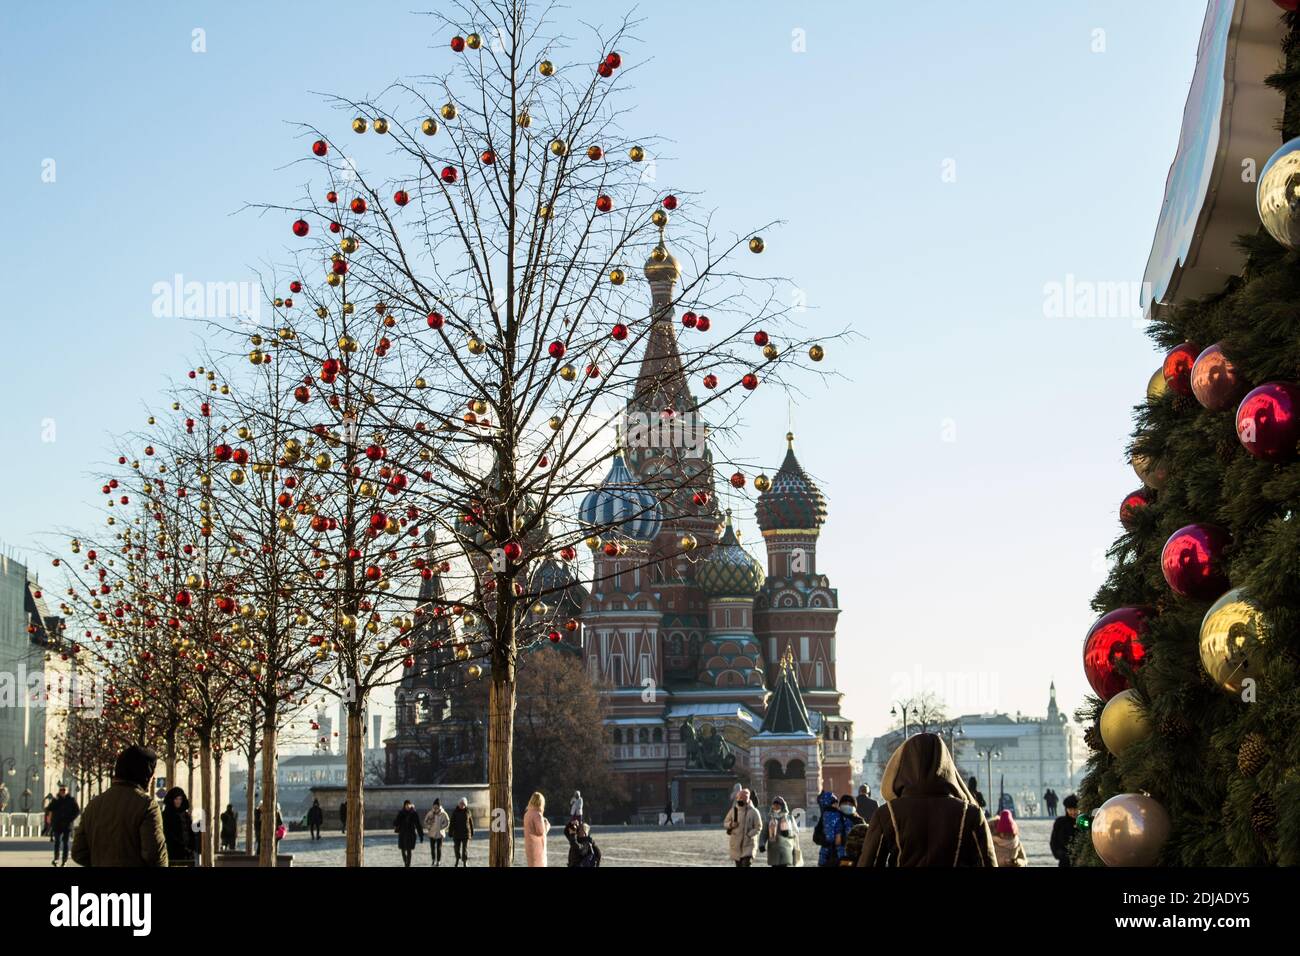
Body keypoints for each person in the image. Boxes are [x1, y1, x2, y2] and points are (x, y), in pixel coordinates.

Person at [858, 733, 997, 867]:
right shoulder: (970, 813)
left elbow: (870, 862)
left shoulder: (887, 813)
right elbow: (987, 862)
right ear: (946, 765)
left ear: (904, 765)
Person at [72, 745, 168, 867]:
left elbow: (78, 852)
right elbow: (154, 856)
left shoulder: (94, 805)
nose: (153, 779)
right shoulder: (147, 806)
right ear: (146, 774)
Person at [723, 787, 761, 867]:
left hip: (749, 844)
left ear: (747, 799)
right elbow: (725, 822)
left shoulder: (754, 811)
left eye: (743, 798)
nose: (741, 800)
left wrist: (749, 834)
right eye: (739, 798)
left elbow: (758, 827)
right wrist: (731, 825)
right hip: (736, 844)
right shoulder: (734, 810)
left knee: (746, 864)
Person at [758, 795, 800, 867]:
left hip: (786, 848)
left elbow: (795, 831)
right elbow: (764, 833)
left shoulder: (789, 818)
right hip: (773, 849)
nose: (776, 806)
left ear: (782, 806)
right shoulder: (769, 818)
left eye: (778, 804)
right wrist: (761, 844)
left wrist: (788, 833)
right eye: (774, 804)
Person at [47, 784, 80, 867]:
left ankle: (64, 861)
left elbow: (77, 811)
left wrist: (71, 819)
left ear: (67, 791)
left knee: (65, 843)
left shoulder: (71, 800)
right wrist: (50, 819)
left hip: (67, 825)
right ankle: (56, 859)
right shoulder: (56, 800)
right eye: (61, 790)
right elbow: (49, 809)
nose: (62, 792)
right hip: (57, 824)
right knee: (57, 842)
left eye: (64, 790)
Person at [161, 787, 194, 866]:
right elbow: (167, 833)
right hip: (172, 853)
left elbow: (190, 832)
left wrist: (191, 847)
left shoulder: (186, 815)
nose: (178, 801)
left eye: (180, 799)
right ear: (171, 800)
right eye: (176, 799)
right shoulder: (166, 815)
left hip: (187, 854)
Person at [813, 790, 845, 867]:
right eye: (834, 803)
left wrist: (825, 841)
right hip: (838, 853)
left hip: (828, 854)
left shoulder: (826, 814)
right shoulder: (838, 814)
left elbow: (820, 837)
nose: (836, 805)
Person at [1050, 794, 1081, 867]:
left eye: (1075, 809)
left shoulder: (1085, 822)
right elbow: (1054, 842)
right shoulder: (1060, 823)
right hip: (1065, 862)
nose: (1073, 812)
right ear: (1066, 809)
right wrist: (1062, 855)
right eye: (1070, 809)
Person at [836, 793, 867, 866]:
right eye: (845, 803)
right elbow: (818, 837)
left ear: (855, 807)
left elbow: (866, 841)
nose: (847, 805)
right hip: (834, 858)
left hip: (854, 859)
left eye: (850, 804)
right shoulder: (834, 818)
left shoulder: (859, 821)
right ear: (840, 805)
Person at [523, 791, 551, 867]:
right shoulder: (537, 815)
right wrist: (547, 825)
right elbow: (541, 832)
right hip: (538, 848)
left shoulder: (527, 814)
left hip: (529, 845)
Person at [393, 799, 423, 867]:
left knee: (409, 850)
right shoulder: (401, 812)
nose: (407, 806)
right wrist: (396, 821)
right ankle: (405, 861)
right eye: (406, 805)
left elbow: (418, 824)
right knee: (402, 849)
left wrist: (421, 835)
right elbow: (396, 822)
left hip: (410, 834)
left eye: (408, 804)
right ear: (404, 805)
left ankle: (408, 865)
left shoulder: (414, 813)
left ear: (410, 805)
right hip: (402, 834)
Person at [449, 797, 474, 866]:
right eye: (461, 803)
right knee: (456, 848)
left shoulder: (468, 812)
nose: (462, 805)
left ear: (465, 805)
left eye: (463, 804)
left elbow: (471, 823)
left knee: (464, 849)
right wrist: (450, 832)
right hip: (456, 833)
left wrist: (472, 832)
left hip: (466, 833)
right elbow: (452, 823)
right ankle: (457, 859)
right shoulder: (455, 812)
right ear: (458, 804)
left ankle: (465, 861)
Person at [424, 799, 450, 866]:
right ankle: (433, 859)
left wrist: (442, 827)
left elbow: (447, 822)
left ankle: (438, 861)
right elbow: (425, 821)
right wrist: (429, 827)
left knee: (439, 848)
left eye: (436, 806)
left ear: (439, 806)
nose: (435, 807)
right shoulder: (430, 813)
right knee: (432, 848)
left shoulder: (443, 813)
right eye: (434, 806)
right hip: (432, 833)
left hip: (440, 833)